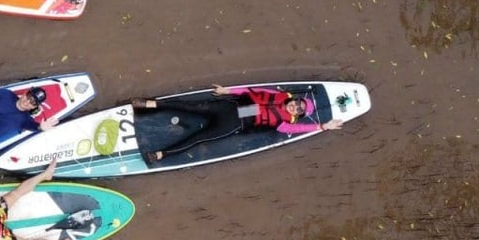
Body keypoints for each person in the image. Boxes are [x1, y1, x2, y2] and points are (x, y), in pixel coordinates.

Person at [137, 85, 344, 163]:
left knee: (198, 138)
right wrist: (228, 92)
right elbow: (249, 91)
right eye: (297, 104)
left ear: (298, 115)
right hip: (231, 109)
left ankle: (160, 155)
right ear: (293, 100)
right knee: (192, 106)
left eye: (299, 111)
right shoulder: (278, 96)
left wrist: (323, 126)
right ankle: (150, 104)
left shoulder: (284, 124)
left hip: (235, 125)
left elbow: (300, 128)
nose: (295, 108)